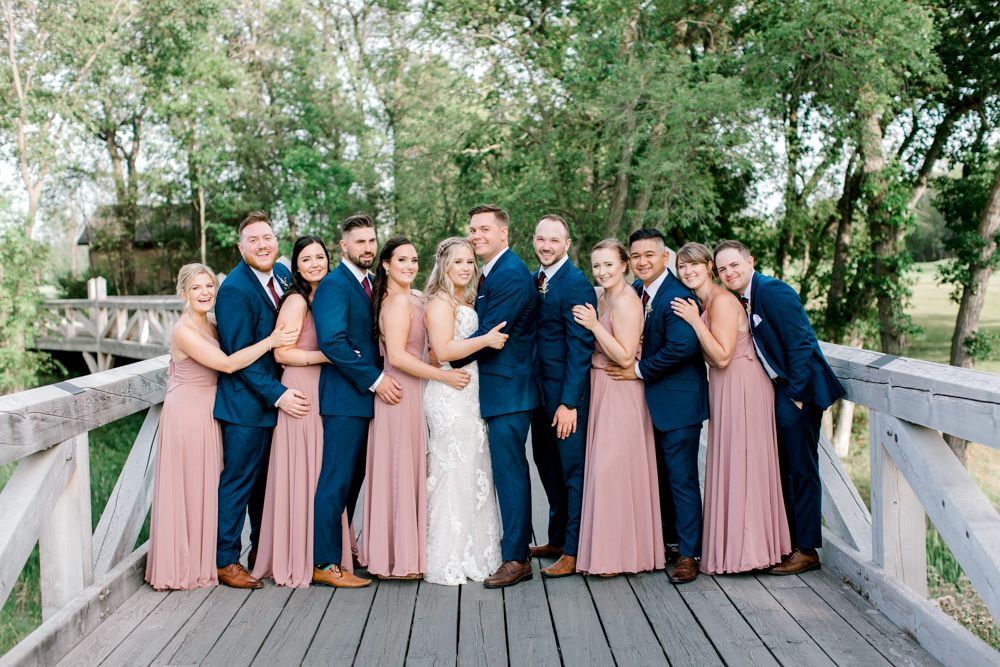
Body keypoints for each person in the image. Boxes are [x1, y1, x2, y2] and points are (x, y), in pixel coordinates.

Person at [146, 263, 297, 591]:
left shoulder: (212, 325)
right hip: (186, 413)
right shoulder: (183, 331)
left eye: (209, 287)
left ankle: (207, 555)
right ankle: (186, 562)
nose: (204, 293)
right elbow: (228, 363)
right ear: (183, 292)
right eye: (196, 288)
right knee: (189, 485)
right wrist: (271, 340)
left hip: (211, 410)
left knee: (206, 484)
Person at [714, 240, 846, 575]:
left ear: (750, 261)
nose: (728, 273)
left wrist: (797, 396)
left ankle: (806, 549)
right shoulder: (739, 299)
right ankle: (787, 543)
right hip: (777, 392)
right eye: (722, 269)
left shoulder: (773, 291)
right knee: (782, 467)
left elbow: (801, 342)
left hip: (797, 393)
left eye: (734, 265)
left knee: (800, 469)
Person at [670, 242, 790, 574]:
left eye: (695, 265)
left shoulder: (721, 302)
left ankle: (751, 551)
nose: (688, 271)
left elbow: (722, 356)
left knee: (746, 462)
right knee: (733, 462)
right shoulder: (704, 301)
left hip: (743, 383)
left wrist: (695, 322)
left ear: (708, 266)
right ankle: (736, 546)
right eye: (682, 267)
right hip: (725, 385)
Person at [361, 237, 471, 579]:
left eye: (413, 260)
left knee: (412, 469)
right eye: (402, 260)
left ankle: (408, 549)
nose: (410, 266)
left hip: (418, 390)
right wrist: (442, 376)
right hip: (399, 392)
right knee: (398, 470)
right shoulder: (394, 303)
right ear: (386, 265)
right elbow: (396, 356)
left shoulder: (417, 297)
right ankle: (394, 557)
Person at [606, 228, 708, 584]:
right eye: (635, 256)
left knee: (681, 478)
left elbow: (683, 348)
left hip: (678, 402)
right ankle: (667, 540)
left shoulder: (678, 296)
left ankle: (689, 553)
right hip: (645, 405)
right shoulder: (634, 292)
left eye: (649, 254)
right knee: (659, 477)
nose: (642, 261)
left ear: (666, 258)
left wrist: (636, 369)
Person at [252, 236, 354, 587]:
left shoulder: (326, 294)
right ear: (296, 266)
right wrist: (326, 357)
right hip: (302, 386)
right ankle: (301, 555)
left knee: (319, 470)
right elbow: (282, 353)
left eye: (320, 257)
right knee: (304, 470)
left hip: (323, 387)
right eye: (307, 259)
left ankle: (320, 551)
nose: (315, 263)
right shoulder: (296, 301)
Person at [214, 211, 307, 589]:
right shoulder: (234, 290)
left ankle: (259, 551)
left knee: (265, 485)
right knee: (239, 482)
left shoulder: (284, 277)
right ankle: (224, 559)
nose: (262, 244)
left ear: (276, 241)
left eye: (267, 237)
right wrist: (280, 395)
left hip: (273, 404)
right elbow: (239, 357)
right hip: (245, 406)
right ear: (241, 247)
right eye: (253, 240)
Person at [453, 204, 541, 589]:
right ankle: (510, 549)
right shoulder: (489, 273)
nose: (476, 236)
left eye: (484, 229)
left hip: (509, 389)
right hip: (493, 388)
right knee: (503, 472)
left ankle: (517, 558)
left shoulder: (510, 275)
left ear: (503, 232)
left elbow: (492, 334)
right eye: (472, 230)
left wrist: (443, 354)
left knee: (510, 473)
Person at [311, 214, 401, 588]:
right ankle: (325, 562)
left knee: (354, 483)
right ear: (343, 246)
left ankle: (344, 553)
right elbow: (332, 342)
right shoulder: (334, 285)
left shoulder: (371, 283)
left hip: (366, 402)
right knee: (335, 482)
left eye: (371, 241)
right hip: (345, 399)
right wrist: (375, 379)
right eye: (359, 242)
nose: (367, 247)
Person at [571, 239, 664, 577]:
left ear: (624, 265)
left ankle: (617, 556)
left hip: (622, 388)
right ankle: (612, 551)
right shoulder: (601, 296)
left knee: (612, 470)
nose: (602, 271)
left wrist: (595, 325)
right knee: (604, 469)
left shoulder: (627, 302)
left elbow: (626, 355)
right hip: (601, 387)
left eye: (609, 265)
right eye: (596, 265)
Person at [423, 237, 507, 585]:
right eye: (458, 262)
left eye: (470, 262)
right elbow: (442, 351)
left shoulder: (465, 298)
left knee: (474, 467)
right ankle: (447, 555)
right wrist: (486, 340)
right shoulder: (440, 301)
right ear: (443, 264)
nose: (466, 268)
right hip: (448, 391)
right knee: (452, 469)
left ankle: (477, 551)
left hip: (470, 389)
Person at [528, 215, 597, 578]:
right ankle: (556, 538)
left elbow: (580, 347)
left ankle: (573, 549)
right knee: (547, 466)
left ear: (567, 244)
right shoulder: (535, 280)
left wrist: (569, 403)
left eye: (554, 240)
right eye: (541, 238)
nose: (546, 246)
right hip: (538, 396)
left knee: (572, 472)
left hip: (565, 401)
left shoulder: (576, 285)